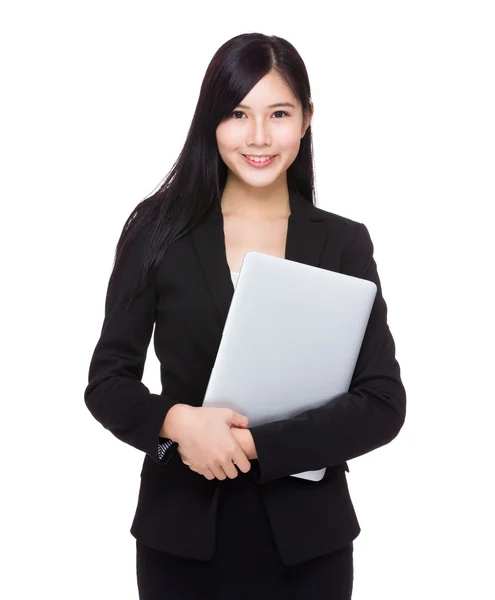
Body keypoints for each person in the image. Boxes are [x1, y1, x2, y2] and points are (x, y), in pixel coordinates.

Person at [84, 32, 406, 600]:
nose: (259, 136)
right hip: (181, 540)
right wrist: (177, 425)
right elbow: (108, 382)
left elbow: (382, 403)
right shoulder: (157, 231)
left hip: (309, 546)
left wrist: (254, 445)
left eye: (278, 113)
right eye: (238, 113)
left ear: (306, 119)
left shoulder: (344, 244)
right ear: (211, 121)